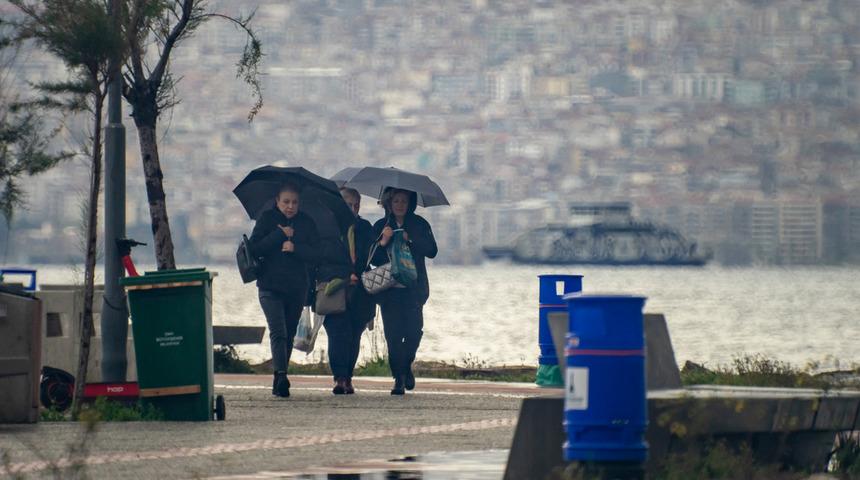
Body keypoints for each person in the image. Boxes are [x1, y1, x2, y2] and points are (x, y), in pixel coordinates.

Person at [249, 182, 320, 398]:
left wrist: (295, 247)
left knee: (288, 333)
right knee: (278, 331)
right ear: (277, 201)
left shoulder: (307, 223)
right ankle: (281, 376)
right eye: (286, 202)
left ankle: (280, 374)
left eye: (294, 202)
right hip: (269, 286)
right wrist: (279, 236)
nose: (290, 206)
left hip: (296, 287)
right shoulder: (267, 219)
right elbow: (254, 248)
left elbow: (316, 254)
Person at [371, 187, 438, 395]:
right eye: (396, 200)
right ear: (389, 203)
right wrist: (383, 242)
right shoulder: (381, 226)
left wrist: (410, 240)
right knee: (393, 336)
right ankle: (398, 378)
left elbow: (432, 251)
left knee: (413, 331)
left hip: (413, 290)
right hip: (389, 291)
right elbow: (372, 259)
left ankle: (407, 364)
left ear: (410, 203)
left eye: (404, 201)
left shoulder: (419, 224)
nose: (400, 204)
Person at [320, 187, 376, 394]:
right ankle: (339, 377)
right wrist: (344, 275)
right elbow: (323, 258)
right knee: (337, 333)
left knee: (354, 336)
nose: (352, 209)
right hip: (335, 288)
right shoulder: (328, 229)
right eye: (348, 204)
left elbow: (371, 256)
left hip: (359, 291)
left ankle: (348, 377)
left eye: (356, 205)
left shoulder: (364, 227)